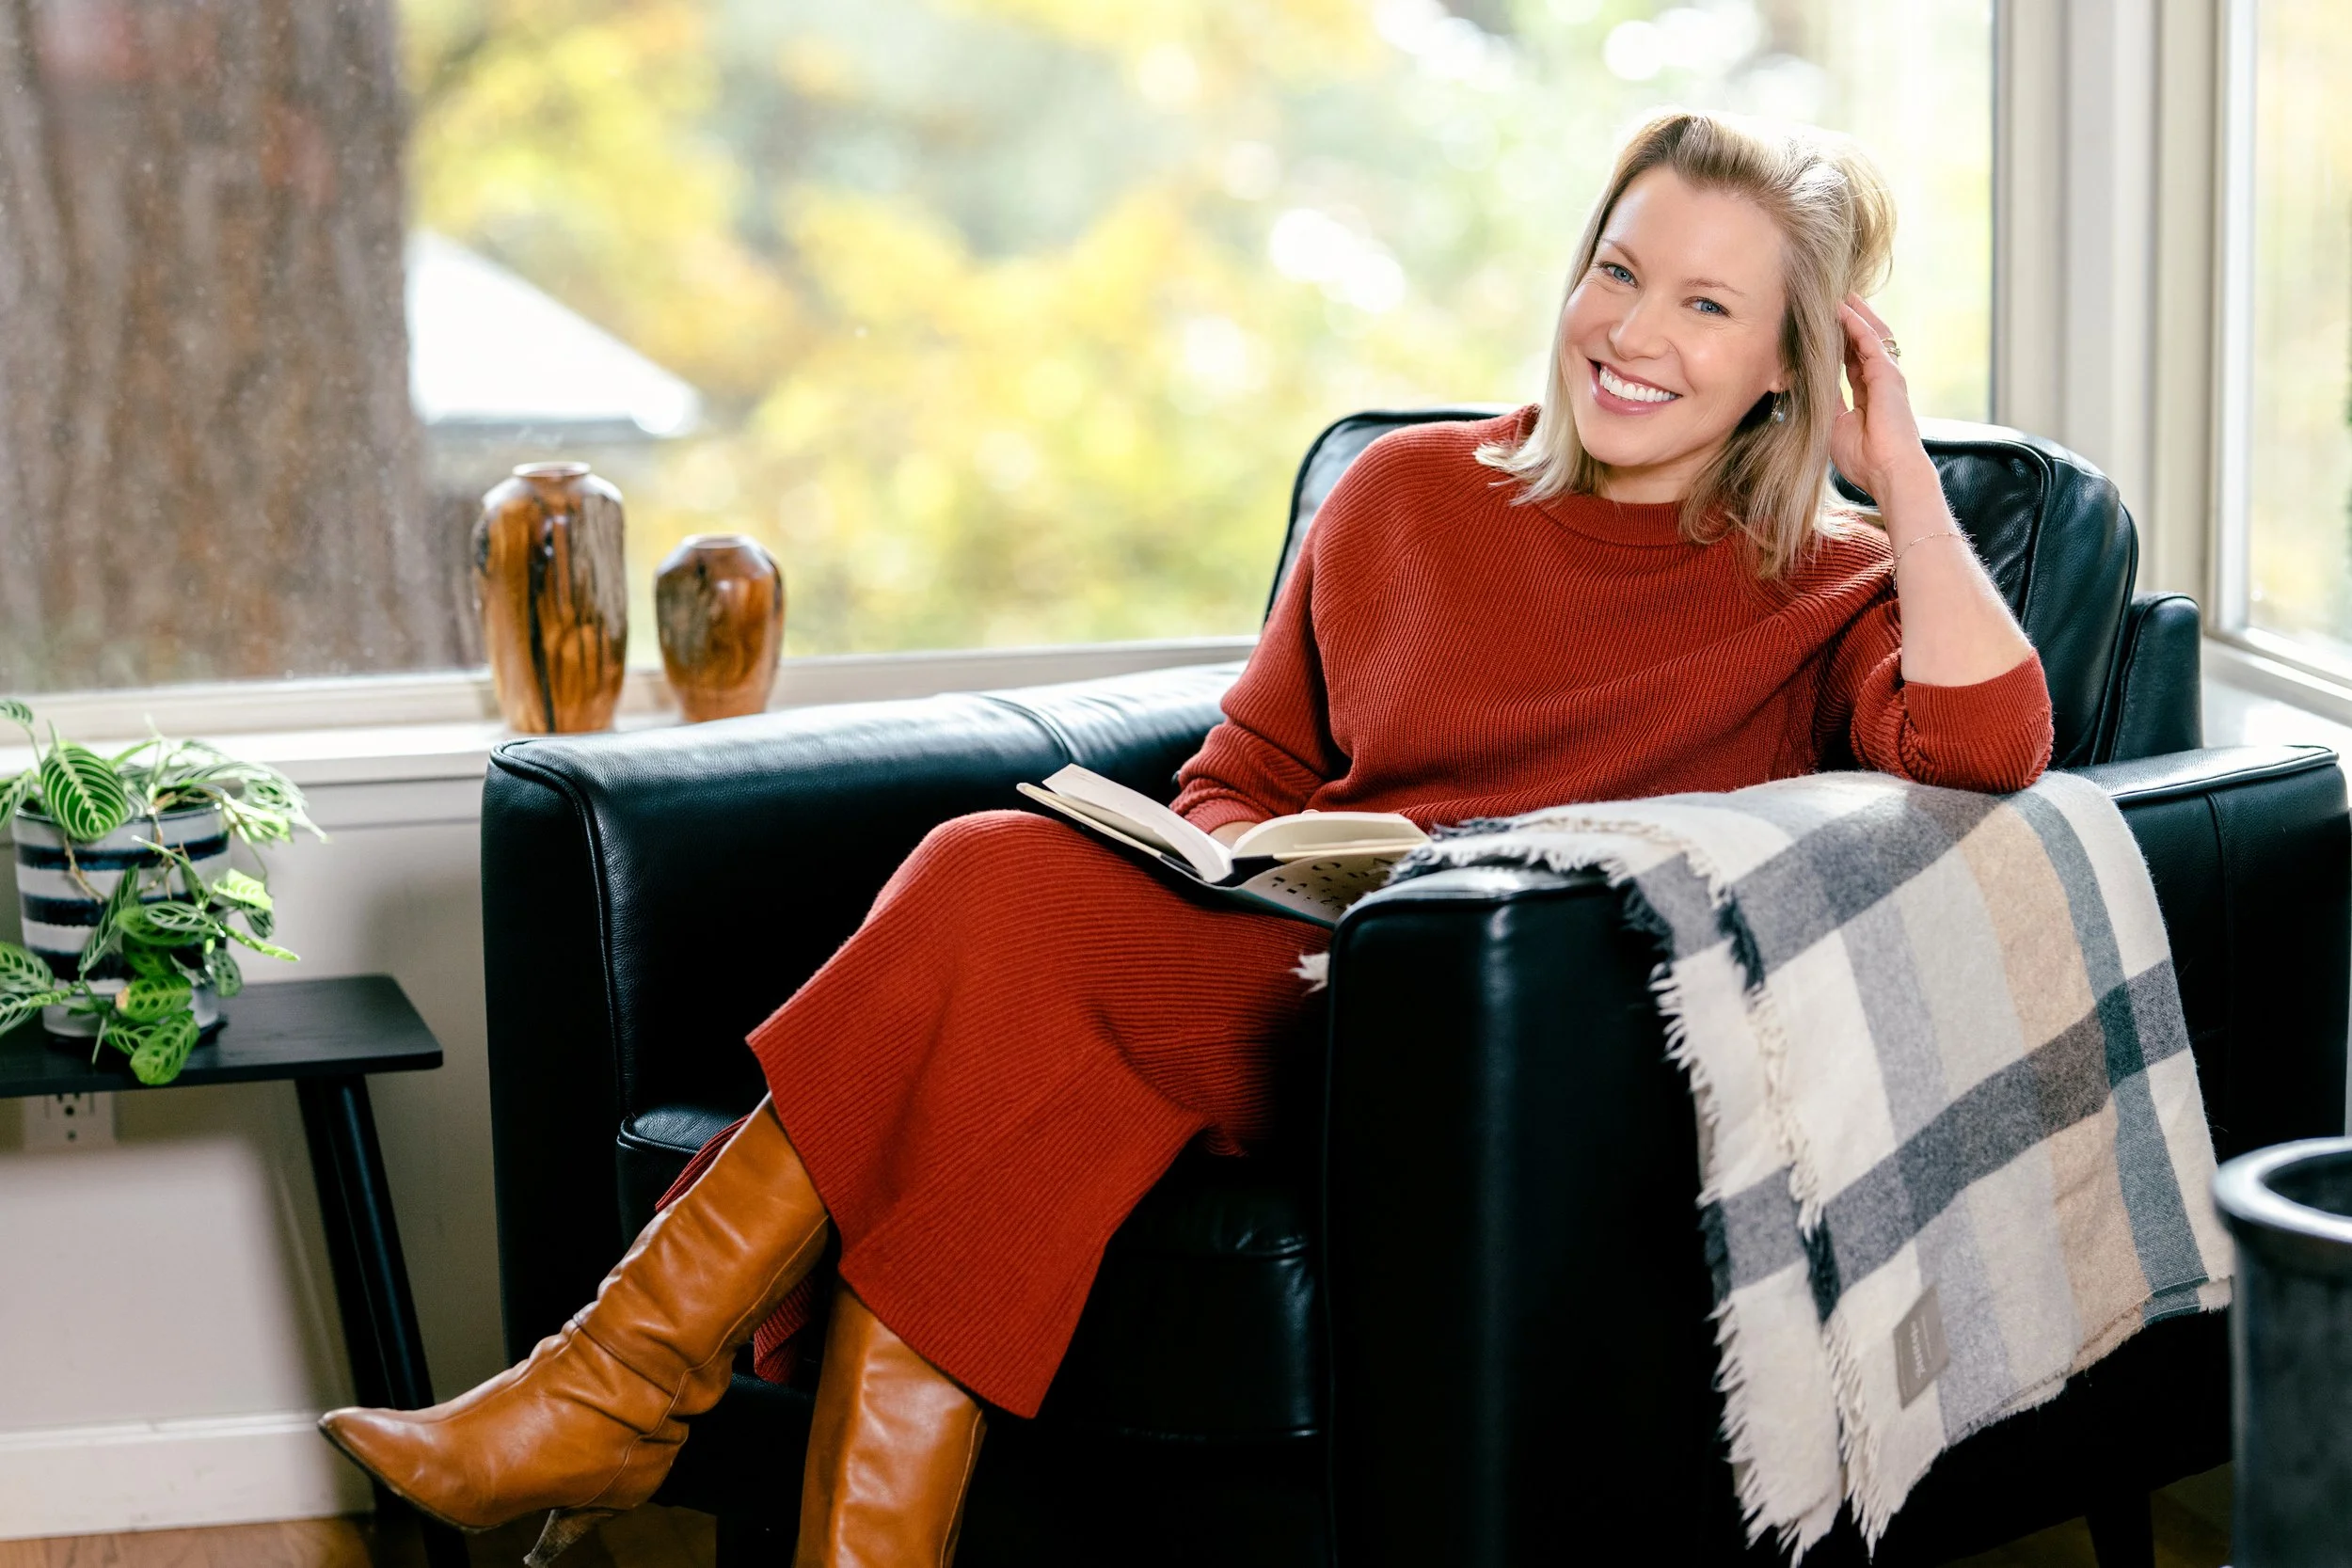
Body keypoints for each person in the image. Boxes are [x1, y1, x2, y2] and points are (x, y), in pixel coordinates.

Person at [319, 109, 2052, 1566]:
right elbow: (1240, 763)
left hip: (1495, 1052)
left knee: (982, 891)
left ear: (1787, 363)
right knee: (1003, 998)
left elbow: (1991, 744)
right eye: (1616, 268)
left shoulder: (1831, 585)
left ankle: (616, 1383)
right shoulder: (1407, 496)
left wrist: (1890, 460)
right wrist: (1250, 853)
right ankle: (670, 1428)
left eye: (1705, 304)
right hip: (1278, 961)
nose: (1635, 332)